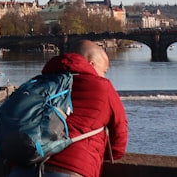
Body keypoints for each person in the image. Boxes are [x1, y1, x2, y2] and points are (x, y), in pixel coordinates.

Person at [9, 40, 128, 177]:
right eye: (104, 71)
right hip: (69, 169)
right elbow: (118, 142)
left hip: (21, 168)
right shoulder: (103, 87)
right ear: (91, 64)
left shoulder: (38, 82)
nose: (104, 75)